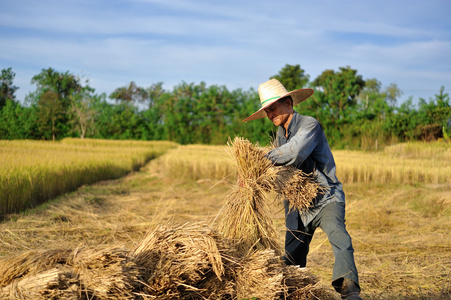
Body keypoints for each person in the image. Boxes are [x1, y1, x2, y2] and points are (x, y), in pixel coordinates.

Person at [243, 79, 362, 300]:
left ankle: (349, 289)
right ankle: (292, 293)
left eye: (273, 108)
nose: (270, 114)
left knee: (339, 237)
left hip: (326, 198)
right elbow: (280, 173)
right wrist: (253, 177)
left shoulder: (310, 125)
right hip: (297, 206)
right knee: (291, 259)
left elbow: (296, 151)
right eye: (267, 111)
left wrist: (260, 159)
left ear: (288, 103)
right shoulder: (279, 136)